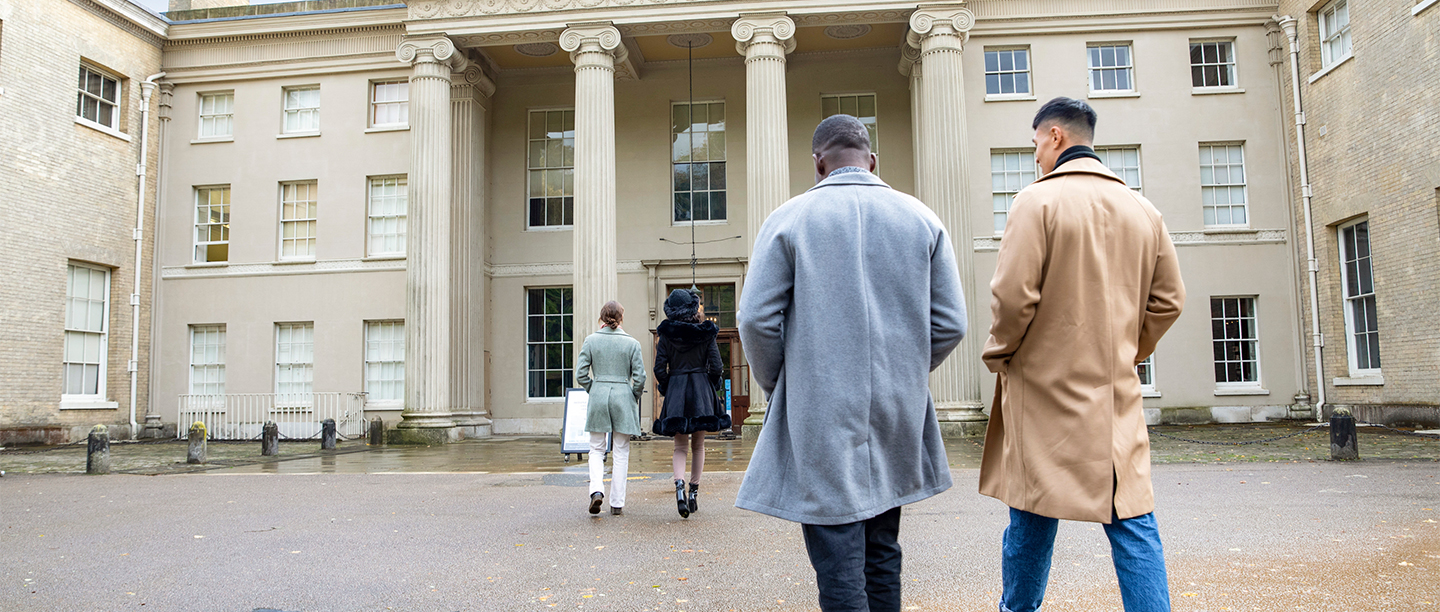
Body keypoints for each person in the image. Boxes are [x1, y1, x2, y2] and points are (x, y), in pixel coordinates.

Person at [735, 114, 967, 612]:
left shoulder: (789, 218)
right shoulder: (921, 217)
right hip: (896, 405)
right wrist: (904, 369)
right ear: (873, 159)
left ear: (818, 163)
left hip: (821, 406)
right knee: (882, 547)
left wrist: (783, 381)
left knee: (837, 556)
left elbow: (755, 320)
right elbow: (951, 323)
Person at [978, 97, 1186, 612]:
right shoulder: (1144, 209)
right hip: (1113, 392)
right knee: (1133, 521)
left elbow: (1011, 298)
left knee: (1029, 514)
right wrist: (1126, 352)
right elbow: (1168, 301)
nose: (1034, 159)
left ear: (1055, 138)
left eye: (1034, 146)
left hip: (1043, 389)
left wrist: (1002, 355)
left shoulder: (1035, 201)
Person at [653, 288, 729, 518]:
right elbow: (716, 366)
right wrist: (711, 385)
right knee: (698, 445)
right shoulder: (705, 334)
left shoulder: (666, 336)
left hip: (677, 390)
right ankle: (694, 491)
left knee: (679, 447)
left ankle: (679, 488)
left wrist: (668, 386)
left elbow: (659, 369)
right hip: (700, 391)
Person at [575, 301, 646, 516]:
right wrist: (632, 395)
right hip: (623, 395)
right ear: (621, 318)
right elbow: (640, 377)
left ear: (601, 318)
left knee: (596, 448)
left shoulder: (591, 340)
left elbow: (580, 374)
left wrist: (594, 389)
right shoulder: (632, 343)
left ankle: (596, 491)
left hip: (599, 395)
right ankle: (617, 502)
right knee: (621, 451)